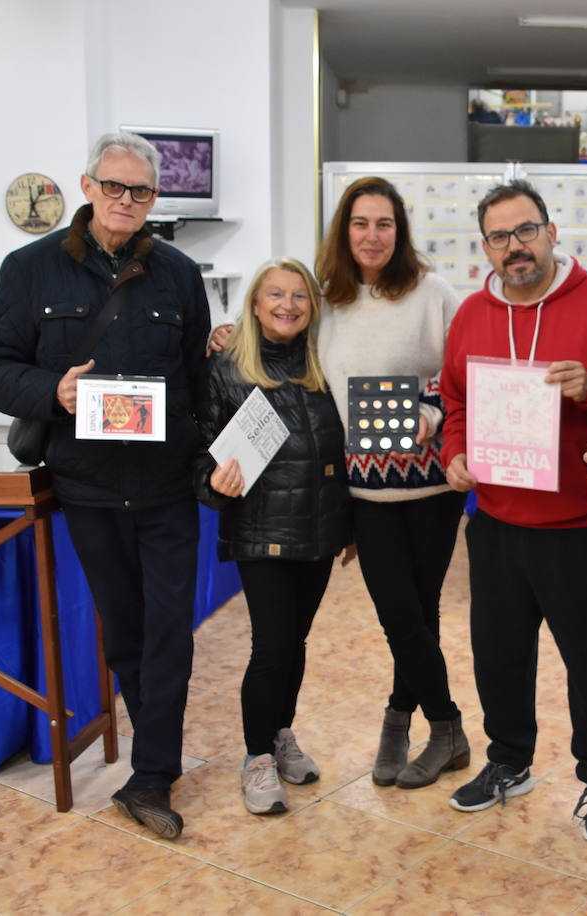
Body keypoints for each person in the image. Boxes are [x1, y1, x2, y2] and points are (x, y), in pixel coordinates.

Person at [0, 130, 211, 838]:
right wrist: (55, 392)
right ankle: (154, 766)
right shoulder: (29, 270)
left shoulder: (178, 274)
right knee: (127, 632)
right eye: (114, 186)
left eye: (140, 190)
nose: (125, 200)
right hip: (89, 486)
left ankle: (153, 773)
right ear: (87, 186)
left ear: (155, 198)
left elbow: (195, 385)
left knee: (172, 631)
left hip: (166, 484)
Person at [440, 180, 587, 844]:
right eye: (500, 237)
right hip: (497, 523)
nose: (515, 246)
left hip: (579, 526)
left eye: (525, 230)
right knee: (498, 656)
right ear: (486, 247)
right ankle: (508, 762)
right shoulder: (472, 312)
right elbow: (454, 402)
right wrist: (452, 454)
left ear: (552, 232)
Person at [315, 177, 471, 790]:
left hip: (430, 490)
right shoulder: (327, 300)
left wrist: (430, 414)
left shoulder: (433, 292)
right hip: (364, 494)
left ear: (399, 231)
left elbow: (463, 377)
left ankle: (403, 721)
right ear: (344, 231)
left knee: (418, 610)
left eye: (384, 224)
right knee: (399, 613)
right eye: (360, 224)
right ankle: (442, 722)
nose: (372, 236)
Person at [194, 257, 352, 815]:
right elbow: (200, 450)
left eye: (299, 297)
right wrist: (212, 479)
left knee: (296, 643)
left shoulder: (325, 366)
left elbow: (341, 452)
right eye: (275, 296)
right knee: (272, 645)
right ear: (255, 306)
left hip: (318, 529)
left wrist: (348, 527)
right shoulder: (226, 368)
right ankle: (256, 757)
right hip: (260, 529)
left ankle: (281, 734)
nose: (288, 305)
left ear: (313, 308)